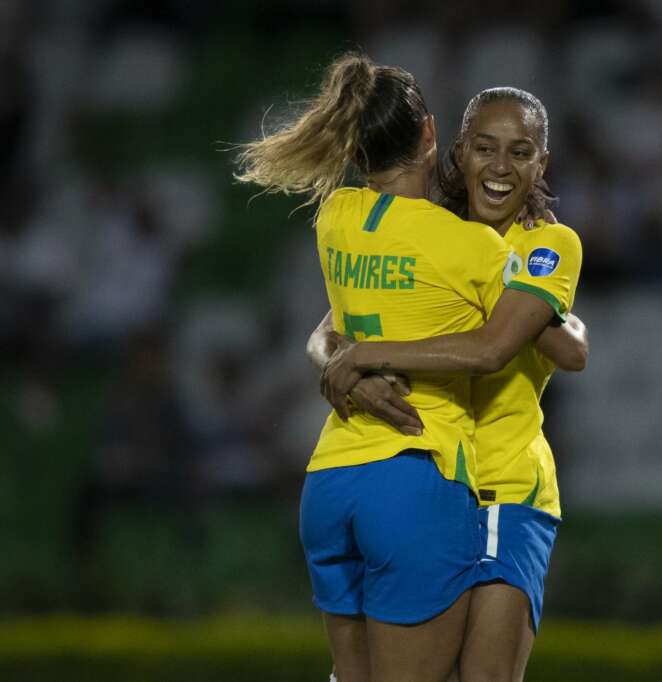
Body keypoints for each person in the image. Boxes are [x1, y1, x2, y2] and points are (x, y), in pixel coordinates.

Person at [237, 54, 546, 682]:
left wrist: (347, 360)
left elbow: (329, 330)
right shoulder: (470, 246)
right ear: (432, 135)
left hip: (331, 480)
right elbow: (508, 343)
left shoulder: (335, 219)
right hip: (416, 472)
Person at [313, 87, 586, 681]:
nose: (500, 167)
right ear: (457, 152)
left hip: (503, 489)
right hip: (430, 481)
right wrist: (348, 371)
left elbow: (563, 350)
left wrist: (360, 358)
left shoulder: (546, 244)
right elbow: (328, 332)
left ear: (542, 164)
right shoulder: (435, 235)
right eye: (485, 148)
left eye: (521, 152)